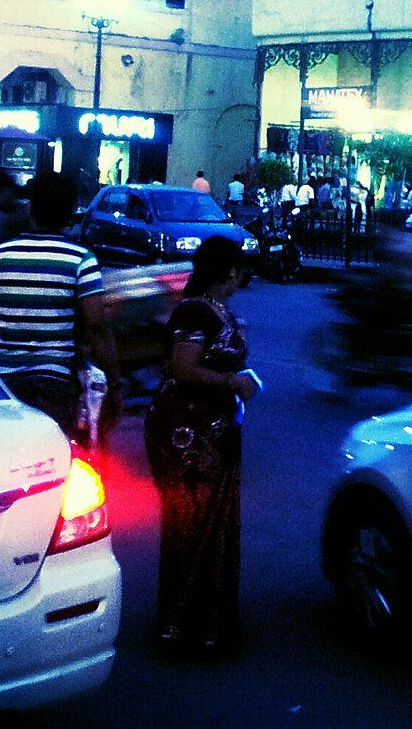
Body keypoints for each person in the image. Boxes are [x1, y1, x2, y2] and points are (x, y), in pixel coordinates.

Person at [144, 237, 256, 654]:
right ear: (228, 271)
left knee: (216, 525)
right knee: (189, 524)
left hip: (216, 429)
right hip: (186, 433)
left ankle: (209, 621)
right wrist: (232, 382)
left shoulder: (219, 310)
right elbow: (183, 367)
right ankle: (182, 624)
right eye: (238, 268)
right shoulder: (194, 310)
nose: (242, 276)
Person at [0, 171, 120, 441]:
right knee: (52, 459)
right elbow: (97, 326)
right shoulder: (81, 261)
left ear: (31, 208)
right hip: (55, 382)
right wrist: (114, 382)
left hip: (2, 381)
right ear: (71, 211)